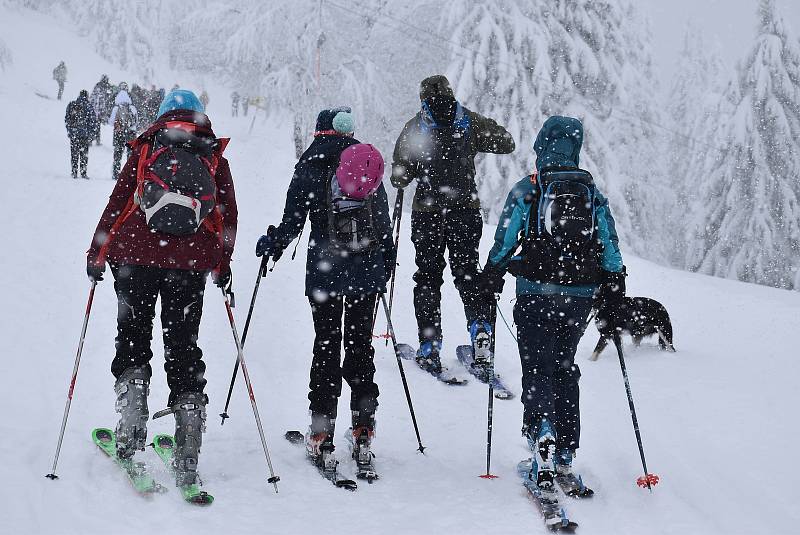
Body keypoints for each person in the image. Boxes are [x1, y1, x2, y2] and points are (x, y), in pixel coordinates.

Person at [85, 89, 237, 496]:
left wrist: (98, 252)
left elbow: (119, 202)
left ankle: (131, 432)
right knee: (183, 346)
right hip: (189, 265)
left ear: (163, 114)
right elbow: (226, 215)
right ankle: (188, 449)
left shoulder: (148, 145)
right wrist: (222, 265)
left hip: (135, 257)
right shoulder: (211, 152)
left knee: (133, 338)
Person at [479, 116, 625, 506]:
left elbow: (506, 237)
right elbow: (609, 244)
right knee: (564, 367)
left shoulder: (530, 189)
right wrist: (614, 284)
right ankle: (564, 452)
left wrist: (492, 272)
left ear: (541, 145)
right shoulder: (591, 193)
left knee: (538, 367)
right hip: (579, 295)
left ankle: (541, 434)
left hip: (535, 292)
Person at [255, 107, 394, 479]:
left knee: (327, 347)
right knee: (361, 346)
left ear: (319, 132)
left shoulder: (312, 163)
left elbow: (293, 219)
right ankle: (364, 430)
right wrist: (386, 261)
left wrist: (273, 244)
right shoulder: (363, 161)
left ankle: (321, 433)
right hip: (366, 270)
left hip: (326, 272)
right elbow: (381, 218)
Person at [391, 74, 515, 378]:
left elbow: (399, 177)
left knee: (428, 277)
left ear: (422, 97)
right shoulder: (468, 120)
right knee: (468, 274)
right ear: (450, 93)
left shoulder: (416, 127)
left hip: (428, 213)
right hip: (465, 210)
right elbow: (506, 142)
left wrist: (418, 167)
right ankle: (480, 335)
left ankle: (430, 345)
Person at [64, 89, 98, 178]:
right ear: (87, 96)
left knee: (74, 154)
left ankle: (74, 172)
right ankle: (83, 173)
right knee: (84, 154)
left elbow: (67, 119)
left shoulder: (72, 104)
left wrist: (70, 131)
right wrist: (92, 134)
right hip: (84, 135)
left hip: (74, 134)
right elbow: (93, 121)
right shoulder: (88, 106)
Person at [109, 83, 139, 180]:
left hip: (119, 133)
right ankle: (129, 174)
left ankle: (115, 173)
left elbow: (111, 122)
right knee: (130, 156)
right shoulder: (132, 107)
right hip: (130, 134)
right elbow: (136, 121)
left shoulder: (116, 108)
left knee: (117, 154)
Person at [90, 75, 113, 145]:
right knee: (97, 125)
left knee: (93, 125)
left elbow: (93, 97)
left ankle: (91, 140)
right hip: (99, 109)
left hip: (95, 109)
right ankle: (97, 140)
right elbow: (105, 98)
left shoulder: (99, 85)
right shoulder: (105, 86)